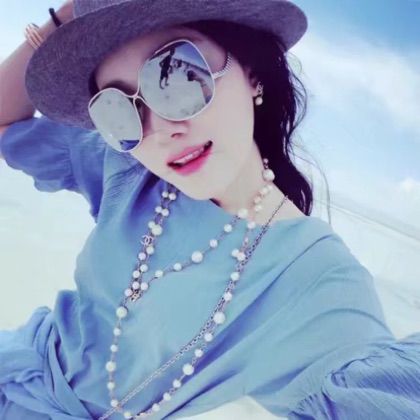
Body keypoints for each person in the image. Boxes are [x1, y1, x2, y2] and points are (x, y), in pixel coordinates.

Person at [1, 1, 420, 419]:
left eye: (178, 75)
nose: (158, 130)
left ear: (251, 71)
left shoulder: (315, 275)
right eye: (117, 110)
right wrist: (72, 15)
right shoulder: (129, 170)